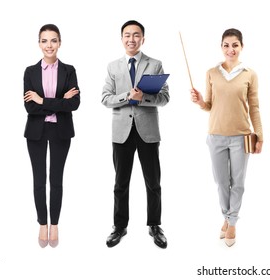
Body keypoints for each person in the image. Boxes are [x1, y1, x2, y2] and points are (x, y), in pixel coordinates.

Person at [191, 28, 263, 247]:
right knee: (222, 182)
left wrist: (259, 135)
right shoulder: (211, 73)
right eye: (226, 45)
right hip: (216, 136)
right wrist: (201, 101)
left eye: (235, 45)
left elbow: (254, 107)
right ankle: (227, 216)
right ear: (221, 47)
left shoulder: (249, 74)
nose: (230, 50)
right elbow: (209, 106)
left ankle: (231, 224)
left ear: (241, 46)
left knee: (238, 183)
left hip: (241, 137)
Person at [102, 20, 170, 249]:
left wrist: (144, 98)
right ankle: (119, 226)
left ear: (143, 38)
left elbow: (165, 98)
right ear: (122, 38)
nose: (131, 39)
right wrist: (126, 96)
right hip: (121, 132)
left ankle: (155, 225)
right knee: (120, 183)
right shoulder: (113, 66)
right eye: (127, 35)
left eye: (136, 35)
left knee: (153, 182)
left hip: (147, 132)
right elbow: (105, 98)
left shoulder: (155, 64)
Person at [23, 24, 80, 248]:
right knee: (39, 180)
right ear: (39, 43)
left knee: (56, 180)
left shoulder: (69, 70)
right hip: (36, 132)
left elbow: (74, 103)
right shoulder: (30, 71)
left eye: (53, 40)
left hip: (61, 131)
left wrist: (42, 101)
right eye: (45, 41)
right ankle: (41, 222)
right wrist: (59, 103)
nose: (49, 45)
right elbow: (30, 108)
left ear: (59, 43)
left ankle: (54, 224)